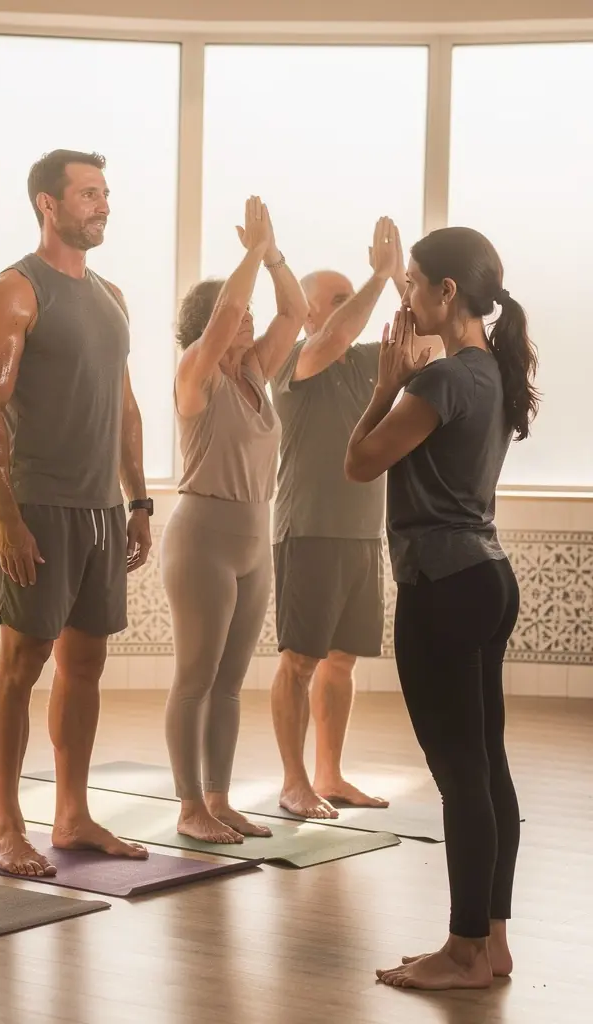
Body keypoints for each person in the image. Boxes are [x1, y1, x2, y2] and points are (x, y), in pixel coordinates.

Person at [345, 226, 537, 991]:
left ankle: (461, 953)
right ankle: (490, 941)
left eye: (412, 281)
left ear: (445, 293)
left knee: (460, 770)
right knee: (485, 762)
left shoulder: (443, 380)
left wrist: (386, 382)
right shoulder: (490, 371)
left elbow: (359, 463)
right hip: (488, 578)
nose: (404, 294)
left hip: (443, 586)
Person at [0, 149, 153, 877]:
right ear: (48, 204)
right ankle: (7, 825)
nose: (101, 205)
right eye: (86, 194)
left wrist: (136, 498)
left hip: (103, 507)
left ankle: (71, 815)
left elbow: (126, 407)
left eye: (105, 193)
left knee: (86, 664)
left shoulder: (112, 295)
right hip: (36, 502)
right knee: (22, 662)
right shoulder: (14, 292)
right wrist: (7, 516)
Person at [162, 196, 307, 843]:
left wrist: (272, 255)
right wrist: (249, 253)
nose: (249, 321)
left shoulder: (255, 373)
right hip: (202, 538)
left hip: (254, 537)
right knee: (195, 678)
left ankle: (218, 799)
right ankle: (189, 807)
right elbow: (223, 318)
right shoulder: (196, 374)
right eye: (237, 314)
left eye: (250, 313)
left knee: (229, 683)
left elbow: (295, 311)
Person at [267, 217, 408, 818]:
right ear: (307, 315)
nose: (353, 311)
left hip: (360, 533)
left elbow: (429, 333)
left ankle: (330, 774)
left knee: (342, 662)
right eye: (339, 301)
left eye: (354, 299)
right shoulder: (295, 359)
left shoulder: (370, 362)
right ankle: (293, 781)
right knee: (299, 660)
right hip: (308, 530)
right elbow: (330, 341)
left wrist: (400, 275)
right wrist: (379, 276)